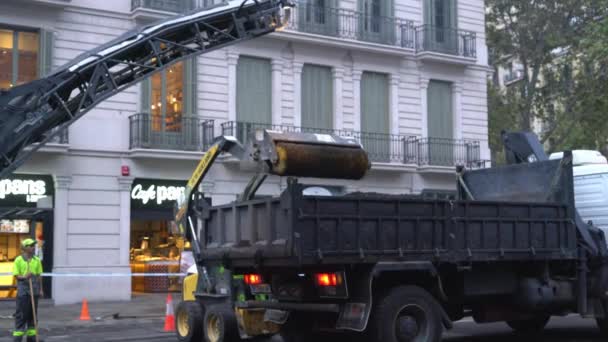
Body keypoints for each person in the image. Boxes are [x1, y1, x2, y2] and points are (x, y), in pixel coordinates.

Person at [12, 238, 43, 342]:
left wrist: (41, 289)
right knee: (21, 315)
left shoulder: (37, 260)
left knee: (33, 315)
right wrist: (25, 276)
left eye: (34, 245)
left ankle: (32, 338)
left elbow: (39, 276)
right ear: (25, 248)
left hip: (34, 291)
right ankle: (18, 337)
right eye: (31, 246)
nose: (33, 247)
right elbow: (17, 276)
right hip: (23, 292)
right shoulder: (18, 260)